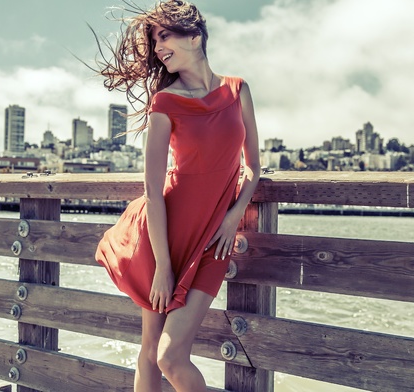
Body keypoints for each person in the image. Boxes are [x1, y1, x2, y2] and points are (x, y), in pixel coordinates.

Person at [93, 1, 261, 391]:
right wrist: (164, 266)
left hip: (213, 241)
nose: (157, 48)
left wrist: (234, 215)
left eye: (164, 36)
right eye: (153, 41)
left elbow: (252, 166)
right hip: (163, 236)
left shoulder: (238, 90)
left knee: (171, 355)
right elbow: (152, 190)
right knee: (152, 349)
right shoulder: (165, 102)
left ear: (195, 36)